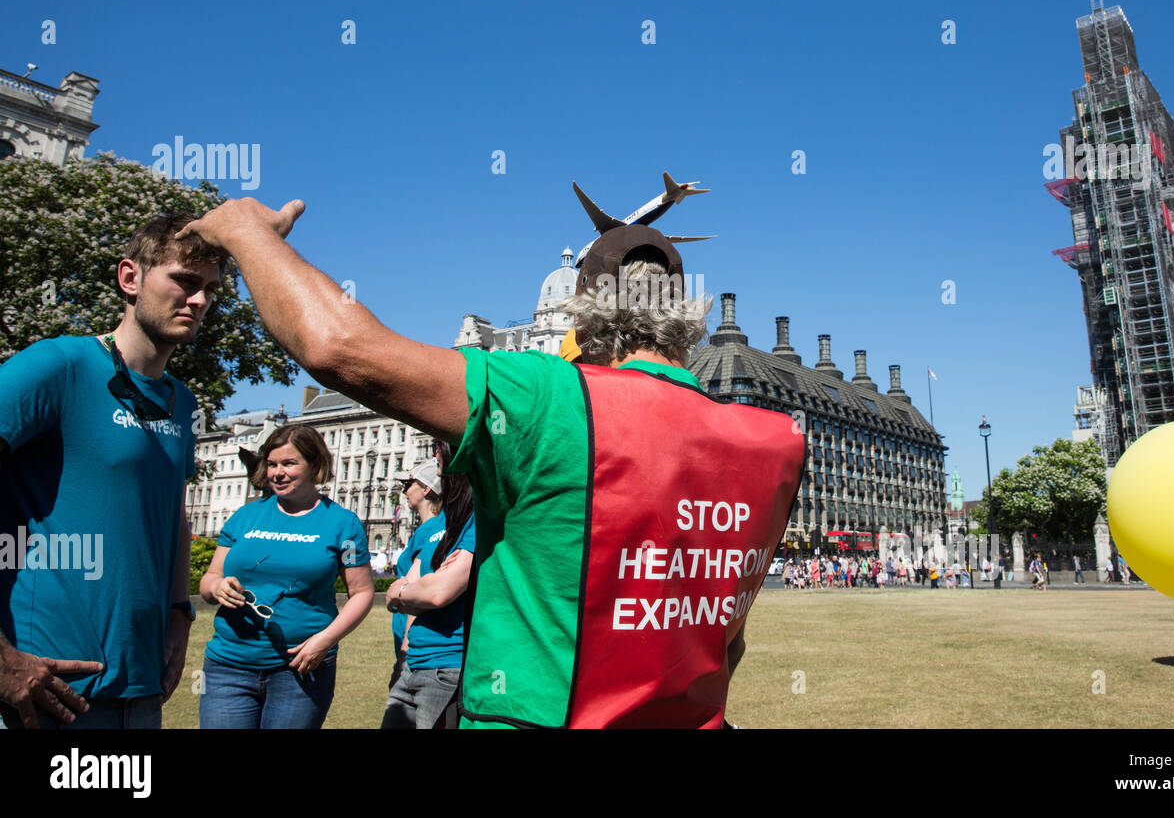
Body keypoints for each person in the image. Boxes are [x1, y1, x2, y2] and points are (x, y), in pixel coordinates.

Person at [181, 195, 806, 729]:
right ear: (685, 317)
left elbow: (339, 348)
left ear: (581, 320)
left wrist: (244, 231)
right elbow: (728, 635)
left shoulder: (548, 396)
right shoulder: (775, 441)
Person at [0, 214, 225, 729]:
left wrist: (178, 616)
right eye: (185, 282)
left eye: (210, 290)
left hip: (140, 690)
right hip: (44, 690)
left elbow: (172, 517)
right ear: (130, 278)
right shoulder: (59, 365)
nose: (199, 301)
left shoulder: (183, 403)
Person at [198, 424, 373, 728]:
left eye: (289, 463)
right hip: (228, 666)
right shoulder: (244, 516)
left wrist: (325, 640)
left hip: (302, 669)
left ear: (315, 465)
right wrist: (217, 586)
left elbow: (362, 593)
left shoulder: (343, 524)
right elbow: (209, 578)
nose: (277, 473)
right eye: (272, 464)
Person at [382, 443, 476, 729]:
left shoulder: (477, 518)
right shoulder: (437, 525)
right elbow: (395, 593)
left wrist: (406, 591)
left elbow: (437, 593)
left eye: (439, 446)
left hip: (449, 666)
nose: (434, 452)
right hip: (413, 663)